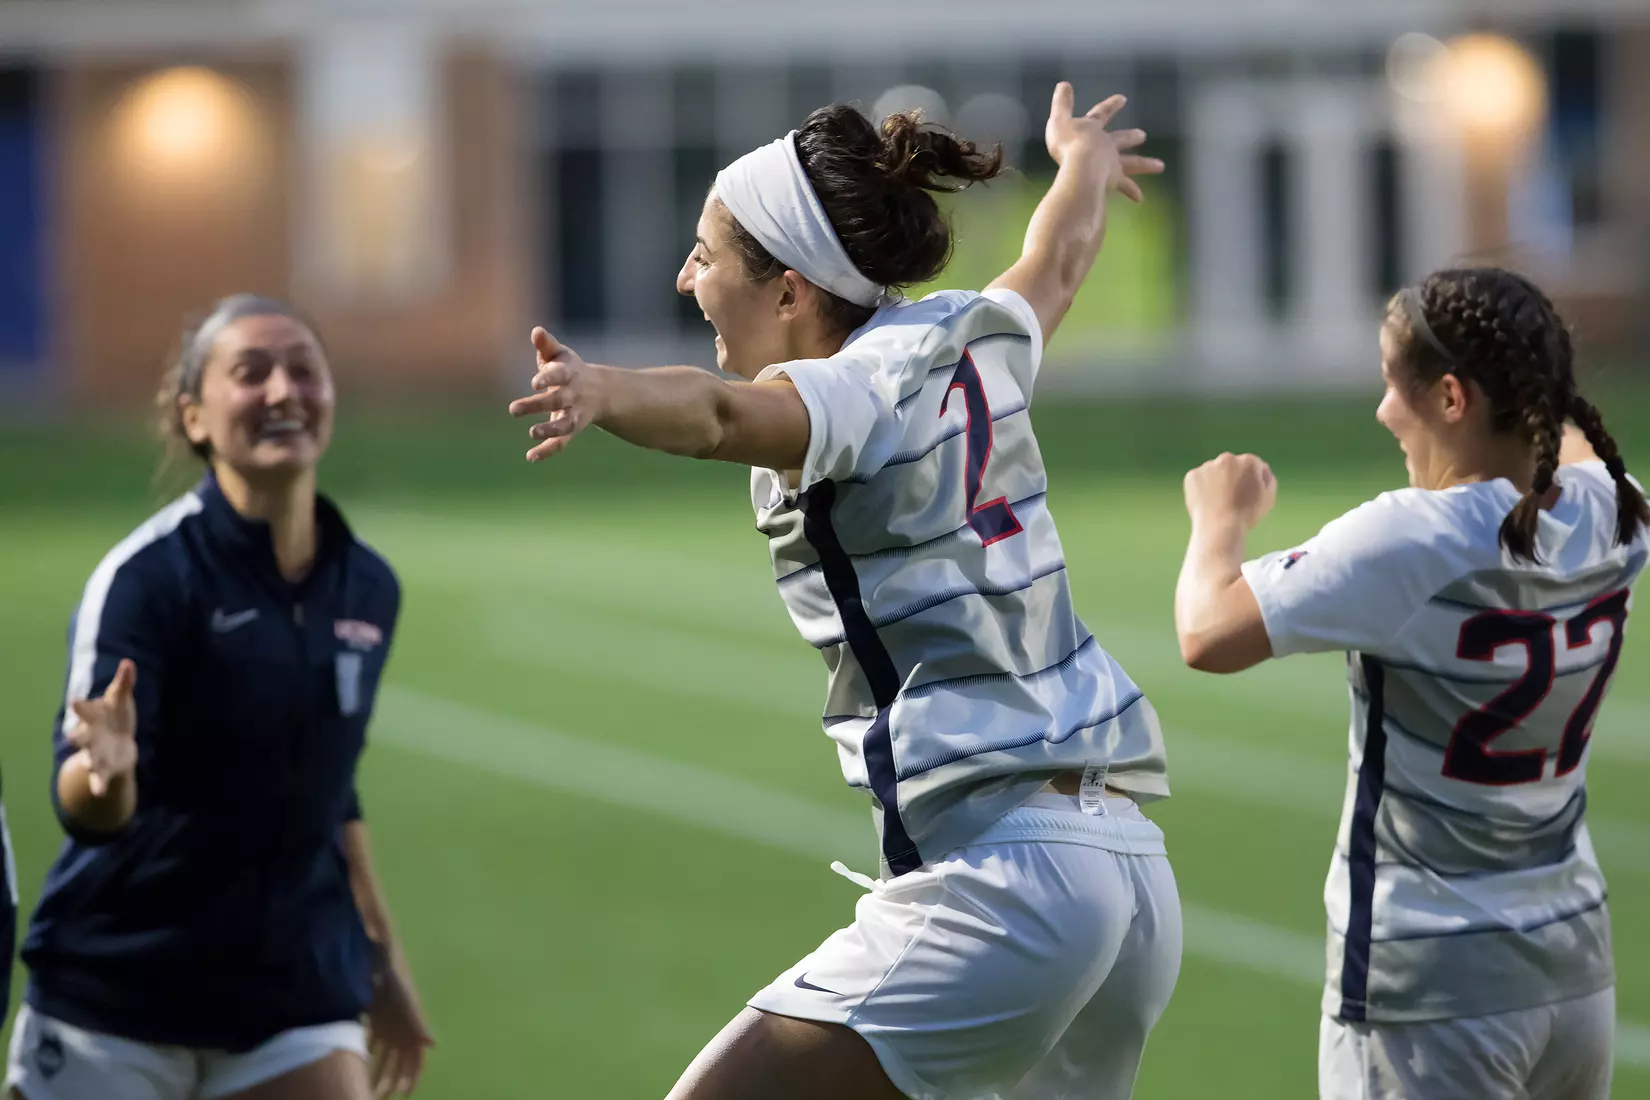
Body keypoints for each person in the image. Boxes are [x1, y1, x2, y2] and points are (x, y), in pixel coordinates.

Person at [509, 85, 1174, 1100]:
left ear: (790, 290)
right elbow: (1058, 263)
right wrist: (1081, 166)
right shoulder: (967, 330)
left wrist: (603, 390)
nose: (687, 276)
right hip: (1126, 864)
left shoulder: (849, 386)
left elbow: (725, 418)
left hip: (1006, 880)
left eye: (708, 252)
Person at [1174, 266, 1647, 1100]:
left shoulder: (1412, 538)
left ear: (1453, 398)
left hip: (1433, 987)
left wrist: (1219, 522)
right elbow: (1559, 441)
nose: (1385, 410)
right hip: (1574, 975)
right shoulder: (1620, 508)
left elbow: (1206, 633)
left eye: (1395, 386)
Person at [7, 295, 433, 1100]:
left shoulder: (367, 585)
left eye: (304, 370)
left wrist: (382, 959)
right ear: (194, 416)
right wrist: (106, 774)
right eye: (251, 373)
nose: (283, 391)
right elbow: (85, 802)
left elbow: (332, 789)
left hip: (290, 996)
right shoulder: (145, 580)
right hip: (118, 1003)